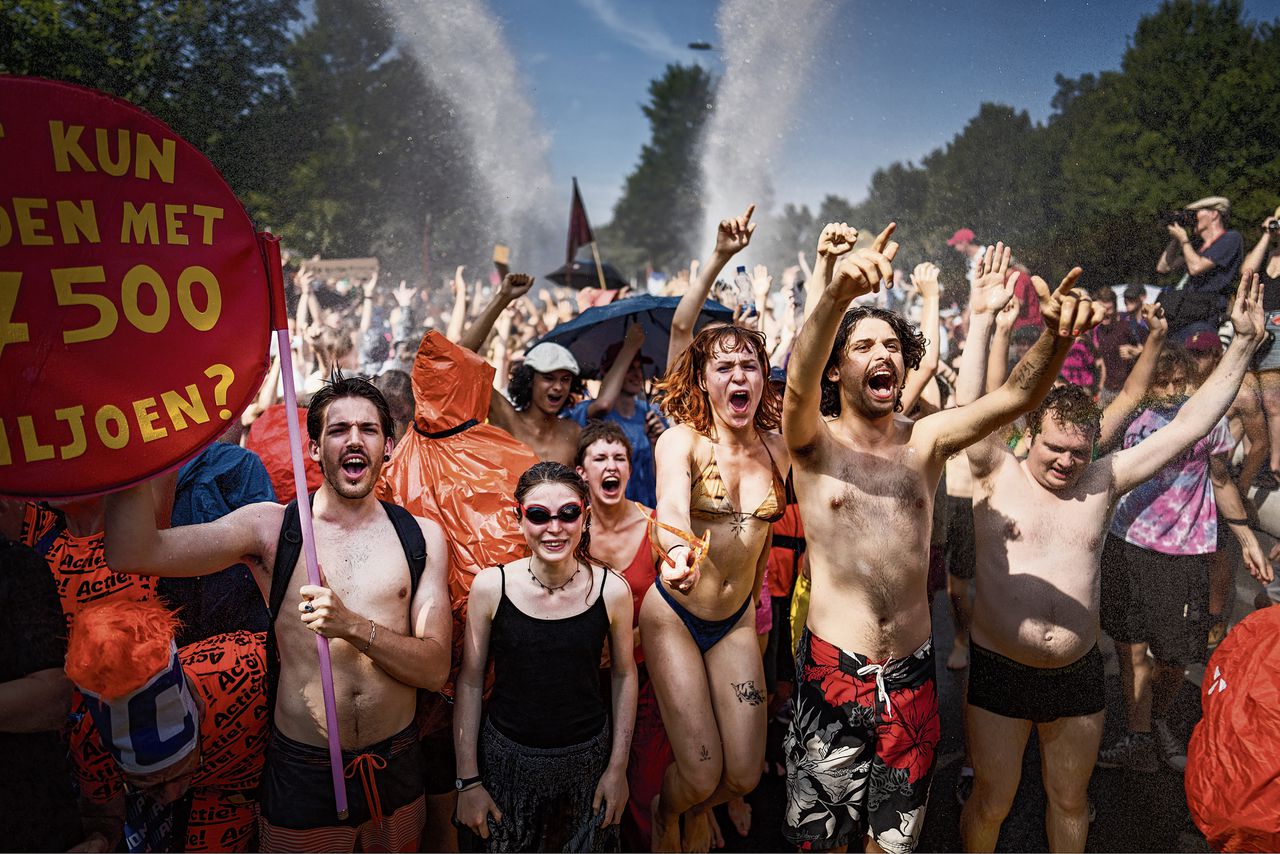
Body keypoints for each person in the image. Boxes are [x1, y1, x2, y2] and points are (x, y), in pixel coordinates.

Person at [782, 230, 1106, 853]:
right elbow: (797, 385)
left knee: (896, 840)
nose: (884, 353)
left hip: (911, 676)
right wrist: (837, 293)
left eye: (892, 346)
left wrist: (1056, 337)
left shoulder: (924, 442)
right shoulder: (812, 441)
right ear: (837, 366)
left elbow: (1014, 398)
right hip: (832, 672)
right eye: (863, 345)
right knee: (820, 841)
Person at [954, 268, 1271, 852]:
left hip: (1075, 677)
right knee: (993, 801)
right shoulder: (992, 471)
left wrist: (1245, 346)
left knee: (1070, 801)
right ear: (1030, 433)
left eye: (1079, 452)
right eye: (1054, 449)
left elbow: (1188, 427)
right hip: (1002, 670)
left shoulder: (1103, 480)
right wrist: (983, 323)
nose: (1066, 464)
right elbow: (971, 406)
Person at [104, 373, 452, 853]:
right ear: (313, 450)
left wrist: (350, 626)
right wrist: (137, 439)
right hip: (303, 772)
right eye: (337, 429)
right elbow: (133, 550)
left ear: (388, 445)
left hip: (395, 766)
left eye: (368, 430)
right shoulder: (271, 529)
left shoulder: (423, 536)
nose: (354, 439)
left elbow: (434, 670)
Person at [645, 205, 788, 852]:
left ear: (765, 378)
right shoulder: (683, 439)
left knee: (744, 773)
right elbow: (671, 509)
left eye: (750, 366)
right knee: (699, 775)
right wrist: (675, 551)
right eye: (724, 366)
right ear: (702, 380)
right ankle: (666, 814)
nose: (739, 376)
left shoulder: (781, 449)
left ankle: (704, 805)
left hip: (733, 621)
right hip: (674, 610)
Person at [454, 462, 636, 852]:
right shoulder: (492, 586)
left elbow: (624, 675)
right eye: (539, 515)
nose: (555, 528)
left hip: (587, 764)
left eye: (568, 513)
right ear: (518, 519)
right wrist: (468, 781)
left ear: (585, 517)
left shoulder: (611, 590)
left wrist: (617, 769)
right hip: (506, 764)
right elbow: (469, 682)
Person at [66, 599, 270, 853]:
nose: (171, 796)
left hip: (285, 771)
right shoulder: (93, 743)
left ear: (199, 705)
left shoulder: (252, 673)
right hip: (219, 794)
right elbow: (103, 816)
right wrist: (98, 841)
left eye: (182, 772)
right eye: (146, 785)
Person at [572, 421, 666, 849]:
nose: (611, 466)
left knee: (642, 790)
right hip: (584, 685)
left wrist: (626, 644)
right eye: (600, 458)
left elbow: (676, 613)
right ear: (581, 472)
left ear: (630, 469)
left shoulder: (657, 526)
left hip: (646, 680)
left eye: (620, 458)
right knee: (585, 792)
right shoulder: (565, 531)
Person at [461, 273, 583, 465]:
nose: (558, 387)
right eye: (549, 378)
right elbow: (461, 358)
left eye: (565, 379)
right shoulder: (507, 420)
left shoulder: (574, 434)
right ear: (529, 379)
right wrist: (503, 297)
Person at [569, 324, 666, 507]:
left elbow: (664, 475)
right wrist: (630, 346)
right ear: (610, 372)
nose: (637, 374)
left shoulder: (652, 415)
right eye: (629, 367)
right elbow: (604, 403)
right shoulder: (589, 412)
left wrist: (658, 441)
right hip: (608, 512)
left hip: (647, 512)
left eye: (639, 367)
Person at [1155, 195, 1243, 341]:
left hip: (1206, 315)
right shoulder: (1196, 245)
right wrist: (1177, 238)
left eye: (1195, 213)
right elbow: (1163, 267)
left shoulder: (1230, 238)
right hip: (1184, 312)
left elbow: (1196, 267)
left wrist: (1184, 239)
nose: (1193, 218)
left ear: (1214, 214)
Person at [1240, 207, 1280, 486]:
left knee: (1272, 401)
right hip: (1257, 324)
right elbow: (1247, 271)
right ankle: (1251, 457)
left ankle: (1275, 465)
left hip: (1278, 325)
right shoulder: (1267, 252)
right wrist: (1267, 235)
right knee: (1249, 396)